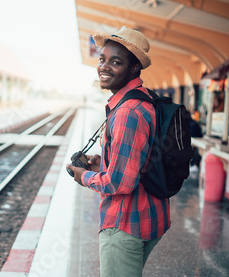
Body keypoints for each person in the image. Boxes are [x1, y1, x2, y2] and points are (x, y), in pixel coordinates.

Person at [67, 26, 169, 277]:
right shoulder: (143, 99)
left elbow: (120, 183)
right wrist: (102, 163)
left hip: (125, 224)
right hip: (149, 215)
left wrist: (83, 176)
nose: (104, 66)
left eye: (115, 62)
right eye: (102, 59)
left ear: (134, 68)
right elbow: (139, 159)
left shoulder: (127, 112)